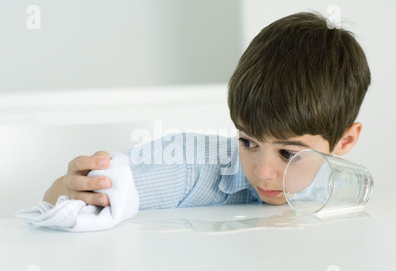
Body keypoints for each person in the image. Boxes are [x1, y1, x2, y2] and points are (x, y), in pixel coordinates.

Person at [43, 12, 371, 210]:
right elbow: (62, 196)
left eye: (287, 154)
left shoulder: (341, 188)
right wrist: (68, 189)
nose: (263, 171)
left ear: (343, 142)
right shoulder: (189, 165)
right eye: (248, 142)